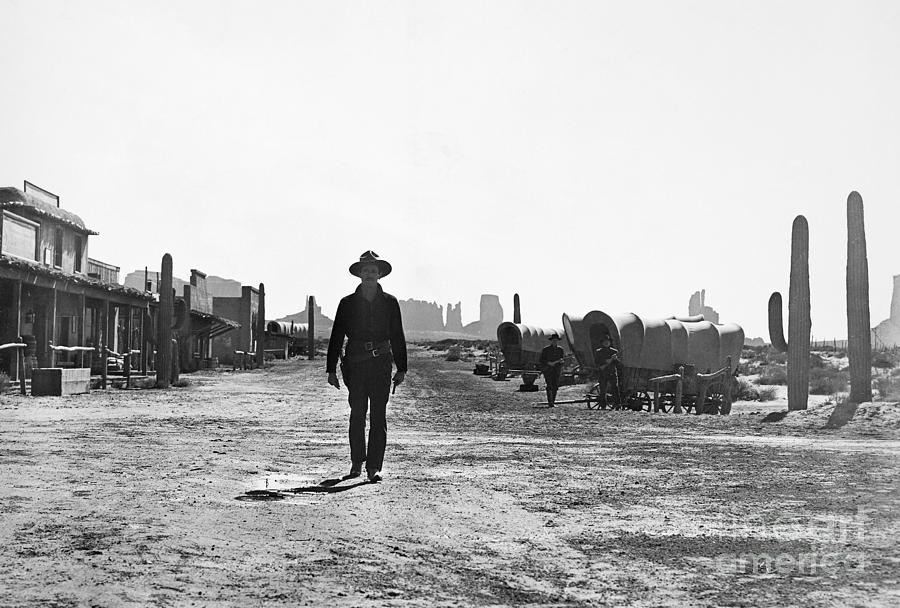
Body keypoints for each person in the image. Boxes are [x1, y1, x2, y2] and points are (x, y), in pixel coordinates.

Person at [326, 251, 407, 483]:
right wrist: (331, 369)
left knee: (379, 416)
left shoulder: (390, 302)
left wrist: (402, 368)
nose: (370, 274)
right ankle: (356, 463)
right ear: (359, 274)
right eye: (366, 270)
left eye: (373, 270)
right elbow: (336, 336)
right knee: (357, 415)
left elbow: (397, 336)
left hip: (381, 364)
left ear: (380, 274)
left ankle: (374, 467)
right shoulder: (347, 303)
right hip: (356, 365)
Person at [594, 335, 621, 409]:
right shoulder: (598, 352)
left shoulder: (614, 352)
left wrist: (615, 359)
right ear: (602, 343)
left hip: (612, 372)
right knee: (603, 390)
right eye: (605, 341)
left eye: (608, 341)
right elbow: (597, 362)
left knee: (615, 389)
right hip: (602, 373)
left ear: (610, 342)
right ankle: (603, 405)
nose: (606, 343)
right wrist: (606, 361)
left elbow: (618, 364)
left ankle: (617, 405)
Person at [539, 332, 565, 407]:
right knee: (549, 385)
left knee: (555, 386)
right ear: (551, 341)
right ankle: (550, 402)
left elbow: (562, 360)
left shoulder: (560, 350)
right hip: (548, 370)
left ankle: (553, 401)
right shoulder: (546, 349)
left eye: (556, 340)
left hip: (556, 370)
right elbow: (541, 360)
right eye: (553, 340)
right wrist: (548, 363)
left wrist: (561, 362)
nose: (555, 341)